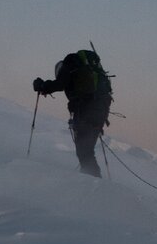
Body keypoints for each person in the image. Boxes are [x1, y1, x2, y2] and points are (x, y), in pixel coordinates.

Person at [33, 49, 113, 177]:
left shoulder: (69, 63)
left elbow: (60, 84)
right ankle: (90, 177)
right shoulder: (85, 71)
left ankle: (92, 180)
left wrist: (43, 86)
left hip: (87, 111)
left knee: (84, 150)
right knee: (86, 150)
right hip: (101, 110)